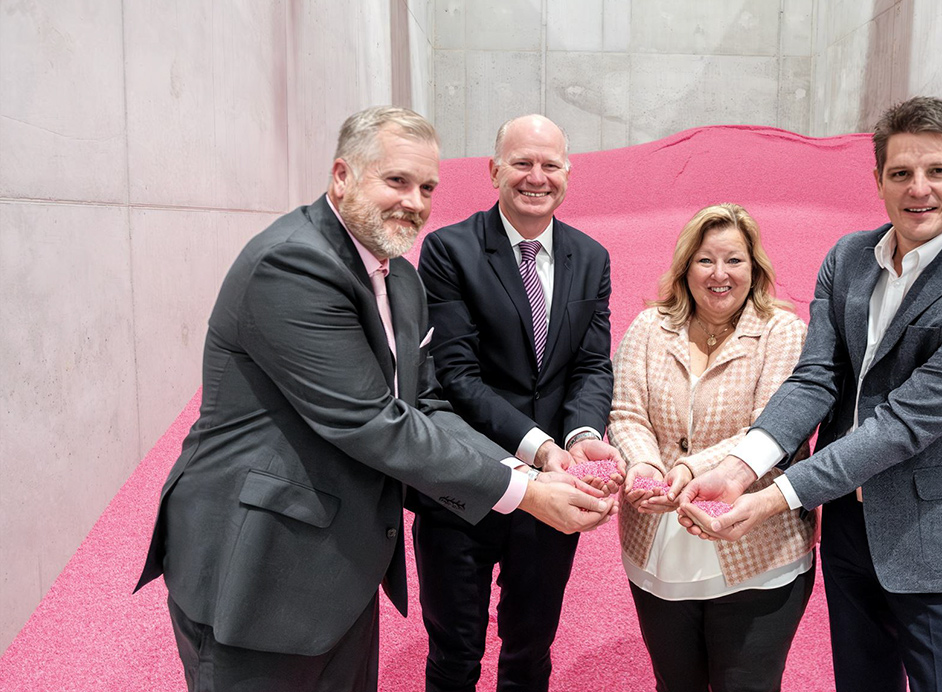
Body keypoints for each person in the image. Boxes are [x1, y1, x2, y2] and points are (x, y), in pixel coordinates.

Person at [134, 106, 614, 692]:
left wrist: (527, 463)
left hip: (343, 563)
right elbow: (371, 420)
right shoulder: (293, 261)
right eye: (396, 181)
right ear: (342, 176)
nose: (414, 201)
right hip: (258, 562)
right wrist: (526, 492)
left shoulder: (398, 278)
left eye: (427, 186)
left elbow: (428, 402)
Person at [678, 97, 942, 692]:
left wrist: (772, 500)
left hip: (937, 538)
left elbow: (901, 425)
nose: (918, 189)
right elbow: (815, 378)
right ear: (878, 180)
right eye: (900, 173)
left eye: (939, 170)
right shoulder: (848, 259)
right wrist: (743, 467)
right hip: (849, 532)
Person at [409, 114, 622, 692]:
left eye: (550, 164)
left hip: (556, 494)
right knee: (455, 653)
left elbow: (592, 364)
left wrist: (579, 437)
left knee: (530, 651)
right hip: (465, 484)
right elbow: (456, 376)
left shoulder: (592, 257)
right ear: (494, 170)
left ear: (568, 174)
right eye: (522, 163)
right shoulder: (449, 250)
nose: (536, 176)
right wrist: (542, 448)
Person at [608, 203, 817, 692]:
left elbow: (769, 430)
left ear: (755, 268)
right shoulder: (647, 327)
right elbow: (626, 414)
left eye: (734, 260)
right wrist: (643, 469)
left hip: (757, 549)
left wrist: (683, 469)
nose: (719, 274)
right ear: (685, 267)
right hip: (656, 539)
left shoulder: (783, 332)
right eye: (705, 260)